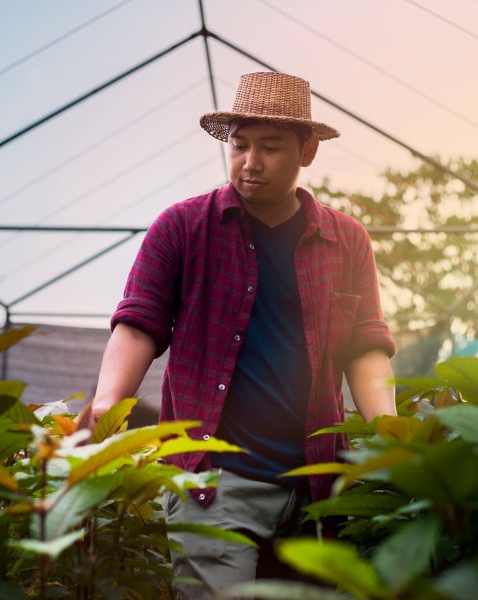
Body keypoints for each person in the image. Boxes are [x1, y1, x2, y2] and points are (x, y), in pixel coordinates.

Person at [86, 71, 396, 598]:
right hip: (216, 483)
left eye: (271, 147)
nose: (250, 163)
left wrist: (391, 431)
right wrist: (107, 401)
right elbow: (139, 322)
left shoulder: (346, 240)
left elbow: (365, 345)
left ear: (308, 151)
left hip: (318, 487)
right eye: (239, 144)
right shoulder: (182, 227)